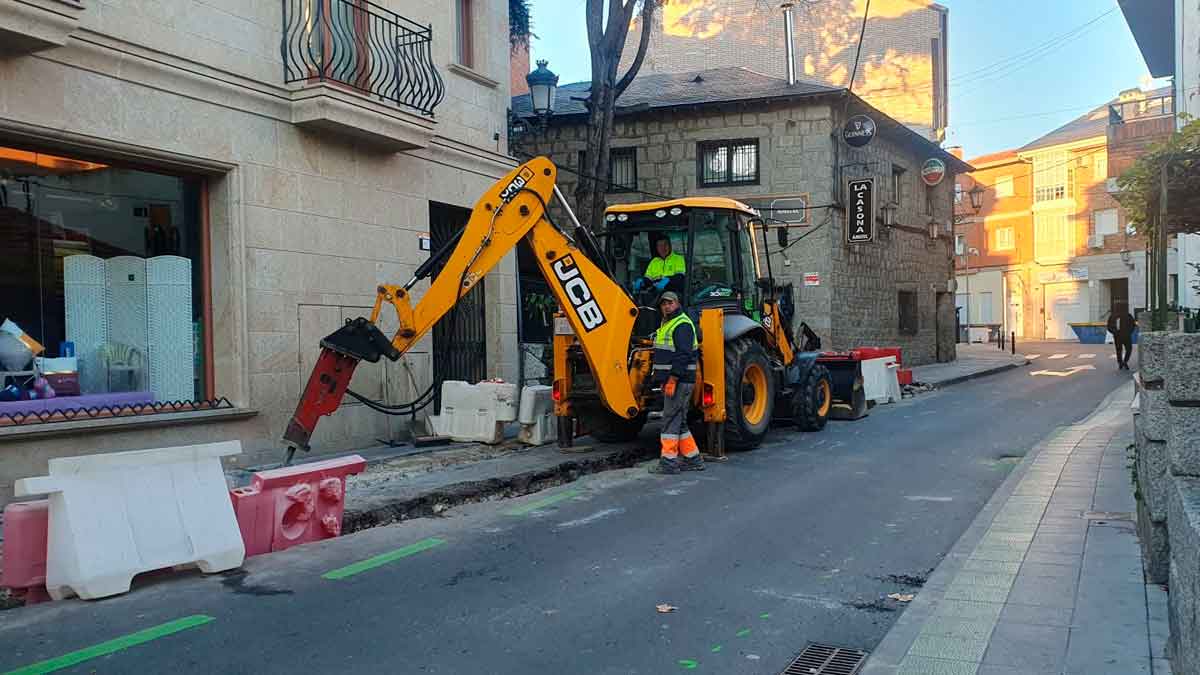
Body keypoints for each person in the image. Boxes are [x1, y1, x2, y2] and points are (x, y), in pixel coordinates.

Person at [649, 291, 703, 474]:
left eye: (670, 303)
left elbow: (683, 355)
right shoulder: (669, 323)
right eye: (663, 304)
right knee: (679, 422)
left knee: (670, 421)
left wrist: (672, 379)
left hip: (680, 381)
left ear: (677, 304)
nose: (666, 306)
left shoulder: (682, 325)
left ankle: (668, 462)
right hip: (677, 380)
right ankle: (693, 459)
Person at [1106, 302, 1137, 370]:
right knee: (1125, 349)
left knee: (1122, 350)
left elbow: (1133, 325)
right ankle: (1123, 362)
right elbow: (1133, 325)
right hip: (1122, 336)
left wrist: (1115, 332)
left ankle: (1122, 362)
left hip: (1121, 336)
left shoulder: (1116, 316)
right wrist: (1128, 332)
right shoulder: (1116, 316)